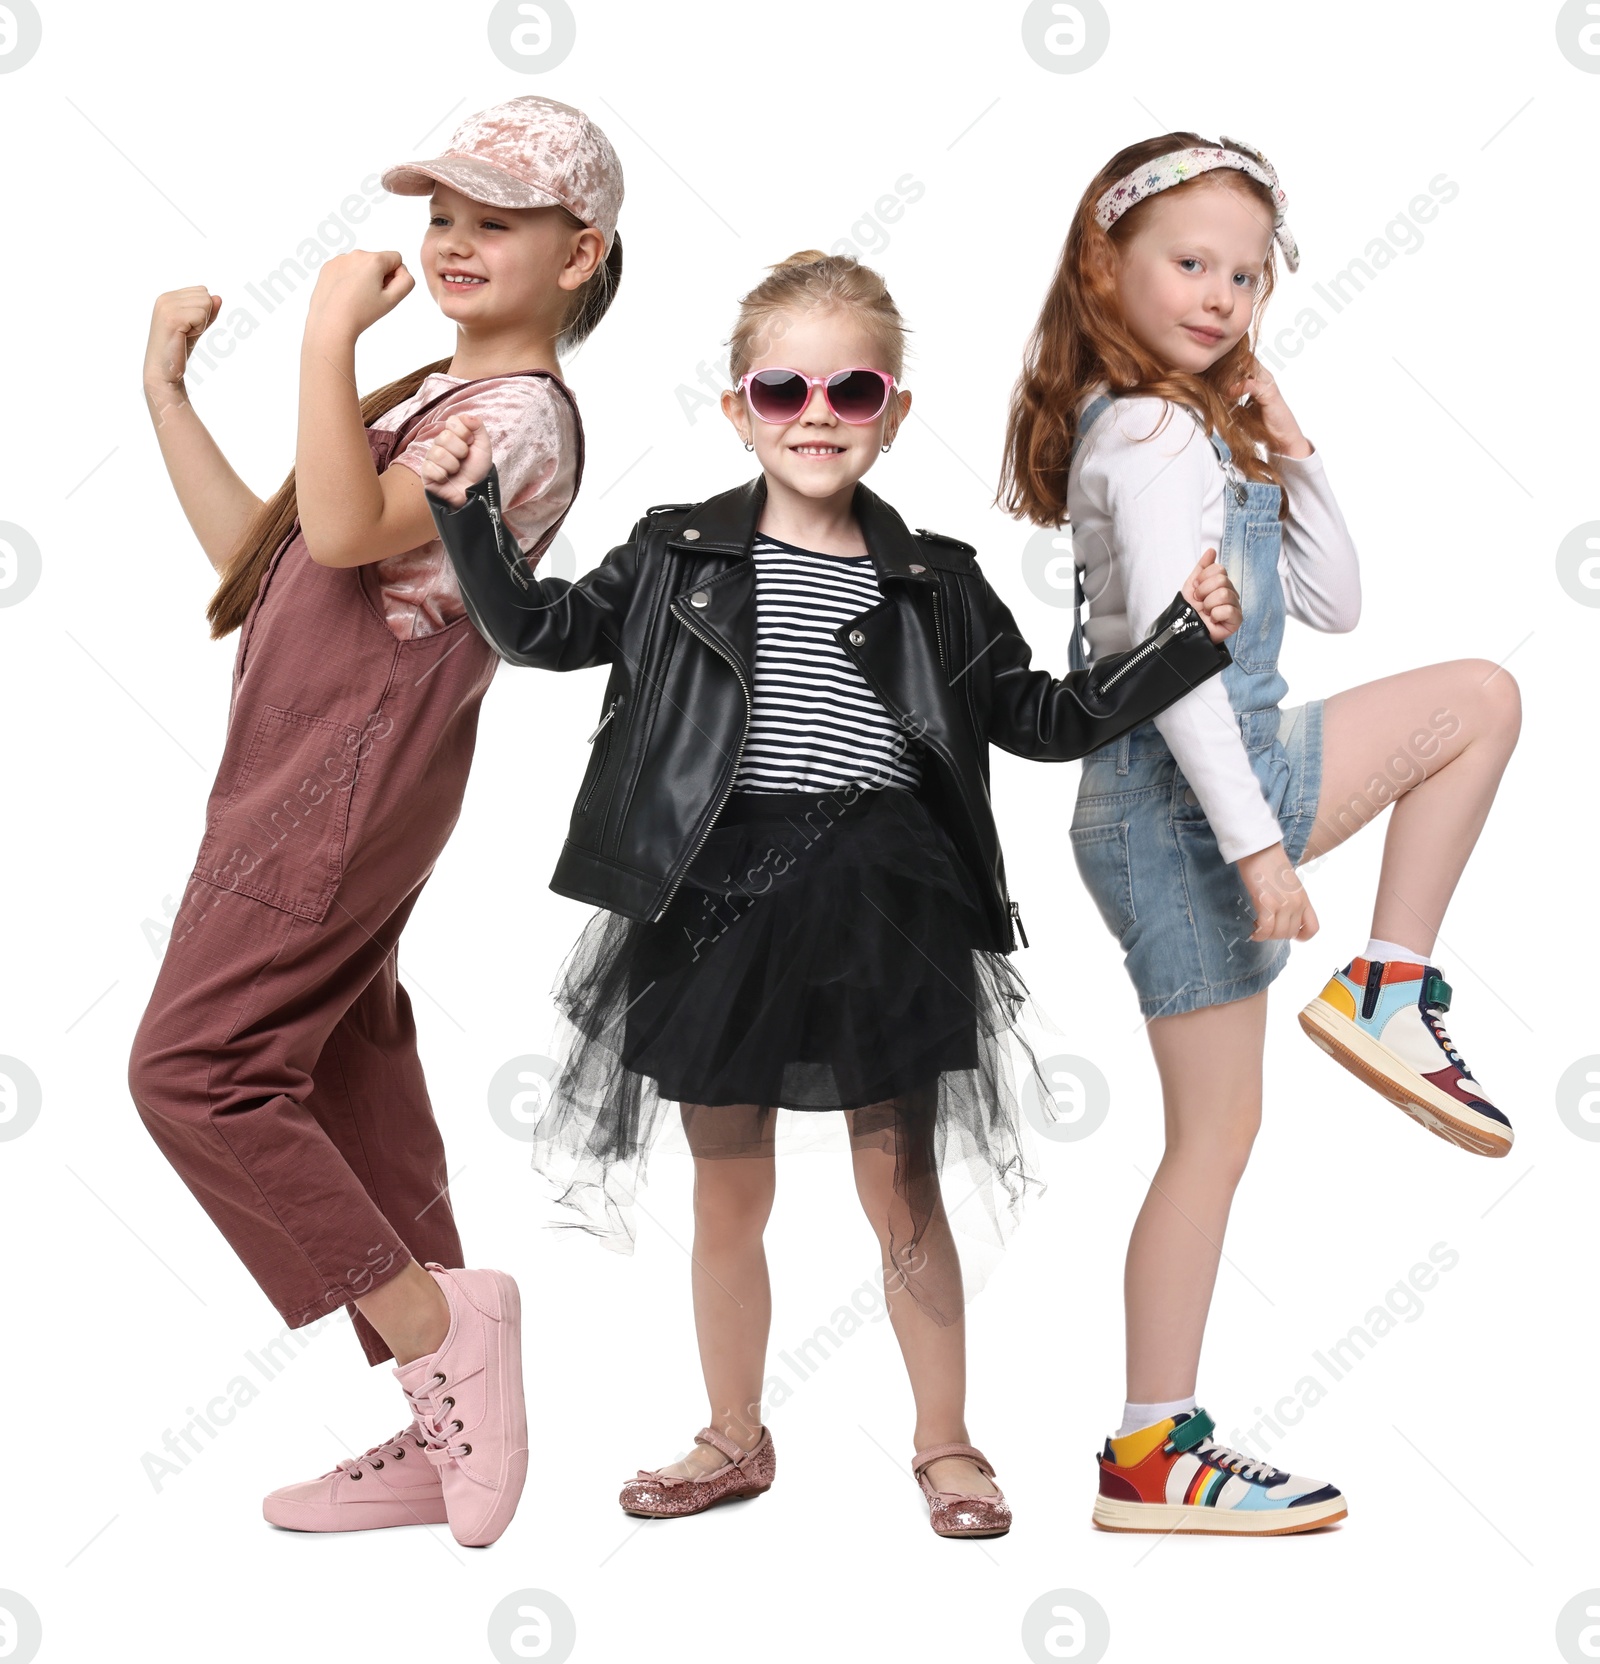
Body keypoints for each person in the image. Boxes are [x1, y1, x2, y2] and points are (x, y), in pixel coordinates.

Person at [418, 249, 1240, 1537]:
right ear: (738, 404)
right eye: (784, 386)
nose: (817, 413)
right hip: (714, 892)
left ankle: (947, 1442)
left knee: (899, 1178)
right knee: (726, 1184)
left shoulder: (940, 577)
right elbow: (539, 633)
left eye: (851, 389)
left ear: (894, 411)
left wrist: (1182, 642)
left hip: (882, 896)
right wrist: (468, 513)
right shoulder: (673, 554)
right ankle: (731, 1434)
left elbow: (1040, 716)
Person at [999, 132, 1520, 1534]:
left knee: (1475, 699)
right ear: (1105, 267)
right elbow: (1176, 685)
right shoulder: (1153, 432)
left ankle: (1387, 989)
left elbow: (1337, 601)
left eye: (1247, 273)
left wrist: (1297, 453)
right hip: (1185, 802)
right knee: (1212, 1138)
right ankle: (1150, 1452)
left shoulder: (1187, 424)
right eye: (1191, 263)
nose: (1224, 294)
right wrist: (1257, 854)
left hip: (1223, 775)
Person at [127, 95, 625, 1547]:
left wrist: (317, 334)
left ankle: (439, 1332)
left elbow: (345, 535)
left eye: (500, 220)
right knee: (341, 1078)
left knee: (194, 1072)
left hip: (340, 791)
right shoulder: (428, 392)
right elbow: (262, 555)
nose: (457, 242)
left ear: (582, 253)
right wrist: (169, 391)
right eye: (445, 216)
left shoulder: (517, 421)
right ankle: (437, 1413)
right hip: (304, 783)